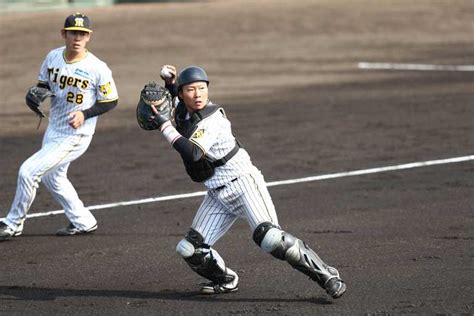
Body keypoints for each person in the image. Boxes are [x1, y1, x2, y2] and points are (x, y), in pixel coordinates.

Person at [140, 65, 346, 299]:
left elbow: (194, 153)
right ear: (182, 94)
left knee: (269, 238)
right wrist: (170, 82)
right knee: (190, 250)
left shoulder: (213, 119)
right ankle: (226, 280)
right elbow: (178, 109)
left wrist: (164, 127)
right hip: (217, 195)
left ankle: (326, 274)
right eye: (191, 90)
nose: (197, 94)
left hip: (244, 184)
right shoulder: (184, 110)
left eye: (202, 88)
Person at [0, 13, 119, 240]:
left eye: (82, 34)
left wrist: (85, 114)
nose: (78, 37)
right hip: (54, 129)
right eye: (73, 32)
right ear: (64, 34)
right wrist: (36, 95)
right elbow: (44, 84)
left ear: (88, 38)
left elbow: (111, 100)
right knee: (52, 177)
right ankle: (83, 221)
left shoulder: (97, 67)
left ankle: (13, 224)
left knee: (28, 171)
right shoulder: (53, 57)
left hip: (76, 134)